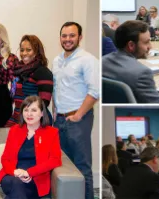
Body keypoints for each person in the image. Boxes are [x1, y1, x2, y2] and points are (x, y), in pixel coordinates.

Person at [52, 22, 99, 199]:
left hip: (79, 119)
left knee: (82, 167)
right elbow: (57, 89)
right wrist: (56, 113)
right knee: (64, 166)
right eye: (64, 36)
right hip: (60, 120)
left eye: (72, 35)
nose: (67, 39)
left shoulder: (88, 60)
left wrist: (79, 114)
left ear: (80, 37)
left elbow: (95, 91)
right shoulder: (57, 60)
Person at [0, 96, 61, 199]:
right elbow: (5, 158)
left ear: (42, 113)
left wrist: (29, 172)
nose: (29, 114)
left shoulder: (52, 133)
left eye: (34, 110)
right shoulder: (14, 130)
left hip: (35, 180)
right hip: (11, 176)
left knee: (16, 192)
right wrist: (15, 172)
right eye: (26, 110)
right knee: (16, 183)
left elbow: (55, 160)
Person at [102, 20, 159, 103]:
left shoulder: (103, 61)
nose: (150, 46)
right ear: (131, 45)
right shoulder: (143, 73)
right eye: (146, 42)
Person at [5, 35, 53, 127]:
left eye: (28, 50)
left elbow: (43, 104)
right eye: (22, 50)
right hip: (19, 119)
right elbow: (17, 102)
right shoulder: (18, 71)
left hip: (36, 123)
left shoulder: (43, 72)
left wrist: (27, 122)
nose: (24, 53)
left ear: (37, 52)